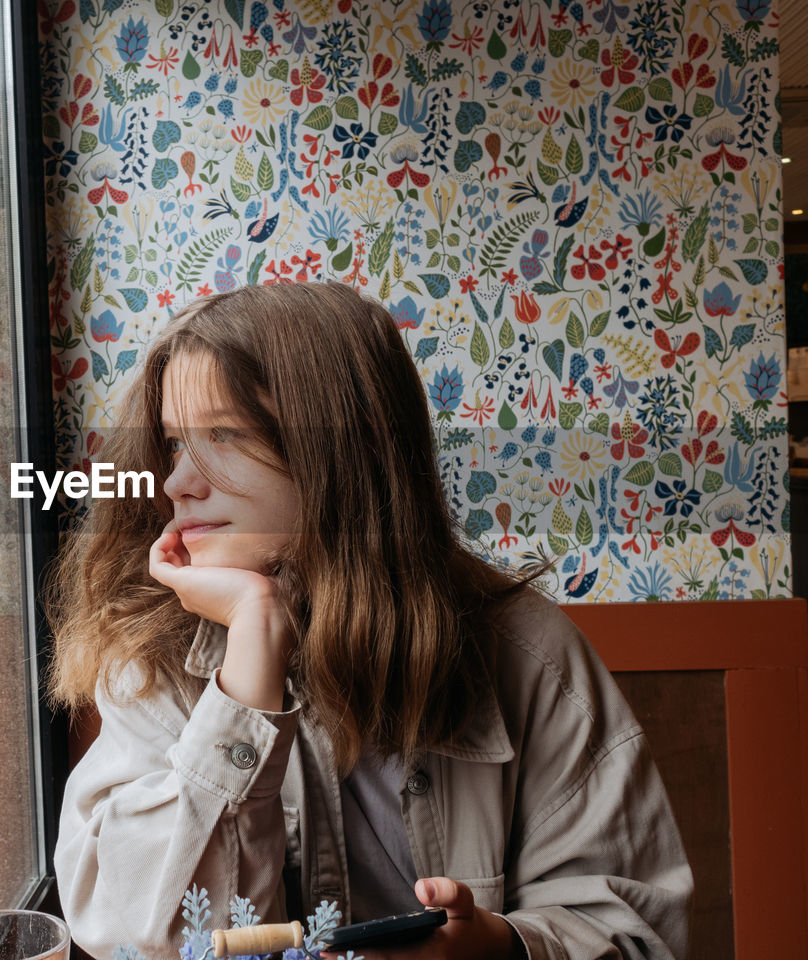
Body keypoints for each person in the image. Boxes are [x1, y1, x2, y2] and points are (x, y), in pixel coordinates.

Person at [46, 281, 693, 960]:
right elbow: (151, 941)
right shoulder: (152, 656)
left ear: (341, 453)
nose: (179, 480)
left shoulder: (529, 655)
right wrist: (250, 660)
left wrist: (500, 948)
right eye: (177, 443)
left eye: (223, 435)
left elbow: (639, 933)